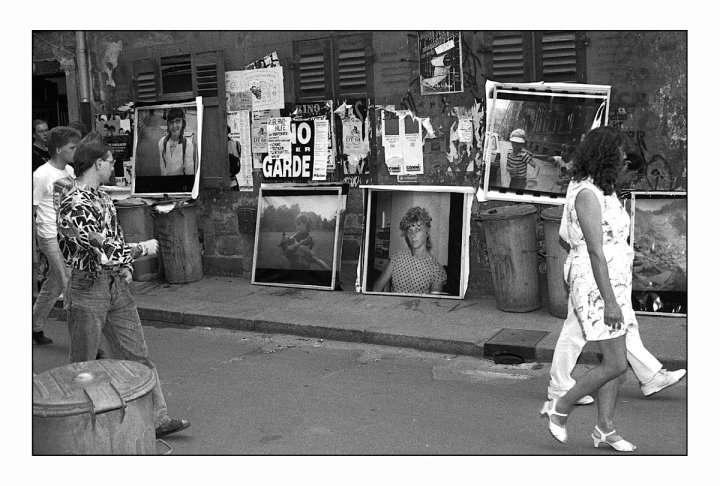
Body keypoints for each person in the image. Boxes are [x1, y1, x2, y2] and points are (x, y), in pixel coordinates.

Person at [56, 141, 190, 439]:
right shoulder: (75, 204)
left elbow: (114, 238)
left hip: (114, 284)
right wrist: (143, 249)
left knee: (137, 355)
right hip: (88, 286)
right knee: (83, 364)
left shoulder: (103, 197)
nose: (113, 166)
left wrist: (125, 267)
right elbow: (103, 249)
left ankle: (157, 419)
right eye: (109, 161)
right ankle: (75, 429)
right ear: (96, 164)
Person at [540, 126, 639, 452]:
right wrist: (610, 301)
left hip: (616, 282)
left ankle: (605, 429)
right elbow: (595, 251)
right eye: (619, 152)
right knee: (616, 364)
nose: (624, 157)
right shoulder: (586, 194)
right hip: (596, 286)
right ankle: (560, 406)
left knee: (616, 362)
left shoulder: (605, 190)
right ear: (605, 154)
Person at [32, 126, 81, 345]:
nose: (76, 150)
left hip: (68, 234)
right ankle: (84, 342)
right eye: (72, 147)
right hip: (50, 235)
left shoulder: (70, 171)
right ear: (59, 149)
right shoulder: (41, 175)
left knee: (54, 285)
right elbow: (32, 208)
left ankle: (34, 326)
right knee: (69, 282)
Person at [372, 206, 447, 294]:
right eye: (410, 230)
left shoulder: (436, 269)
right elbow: (376, 289)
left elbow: (433, 302)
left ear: (427, 232)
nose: (413, 235)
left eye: (418, 230)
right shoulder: (397, 258)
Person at [158, 107, 195, 176]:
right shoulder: (162, 142)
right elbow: (162, 167)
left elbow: (189, 171)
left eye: (178, 121)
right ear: (168, 125)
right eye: (171, 122)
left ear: (183, 123)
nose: (174, 126)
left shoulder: (187, 145)